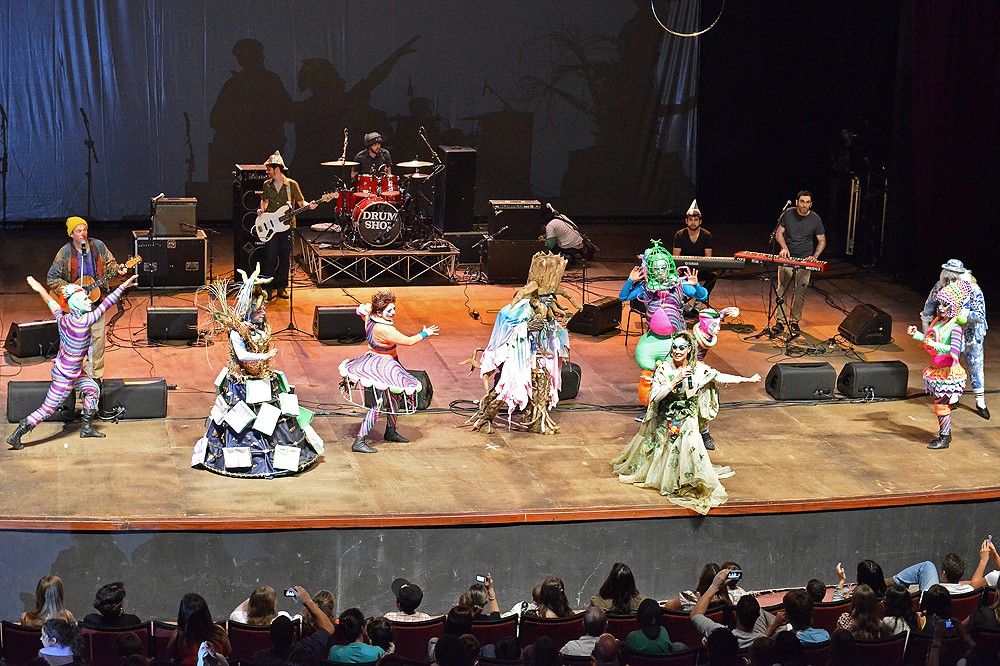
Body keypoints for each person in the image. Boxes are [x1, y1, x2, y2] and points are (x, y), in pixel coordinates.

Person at [611, 330, 760, 514]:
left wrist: (747, 379)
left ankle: (689, 477)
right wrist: (675, 380)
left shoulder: (697, 369)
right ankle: (667, 476)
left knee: (690, 444)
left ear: (689, 349)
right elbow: (654, 397)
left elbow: (718, 376)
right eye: (674, 347)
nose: (677, 351)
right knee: (663, 449)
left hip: (687, 419)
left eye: (682, 347)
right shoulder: (664, 369)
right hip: (667, 417)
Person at [193, 265, 322, 477]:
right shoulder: (237, 332)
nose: (264, 312)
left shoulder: (261, 327)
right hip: (243, 383)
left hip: (262, 378)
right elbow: (242, 356)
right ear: (250, 311)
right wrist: (265, 356)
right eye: (260, 310)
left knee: (272, 416)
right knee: (243, 417)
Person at [7, 273, 137, 450]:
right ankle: (18, 434)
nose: (89, 301)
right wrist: (123, 287)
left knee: (92, 389)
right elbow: (107, 304)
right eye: (85, 299)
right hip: (65, 376)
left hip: (68, 370)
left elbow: (50, 302)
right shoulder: (84, 322)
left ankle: (86, 428)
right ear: (76, 303)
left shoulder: (63, 318)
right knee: (47, 409)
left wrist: (39, 288)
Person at [339, 290, 439, 453]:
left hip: (387, 362)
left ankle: (391, 431)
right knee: (378, 402)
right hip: (382, 366)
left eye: (394, 309)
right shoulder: (385, 330)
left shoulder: (369, 317)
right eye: (389, 310)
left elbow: (365, 308)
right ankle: (360, 440)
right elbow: (408, 341)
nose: (393, 313)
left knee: (394, 396)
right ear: (380, 312)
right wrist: (425, 333)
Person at [619, 241, 709, 422]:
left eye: (663, 268)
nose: (660, 272)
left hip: (674, 340)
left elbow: (703, 296)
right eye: (656, 268)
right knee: (647, 377)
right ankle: (648, 407)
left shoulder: (678, 285)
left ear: (668, 268)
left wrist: (696, 285)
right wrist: (630, 280)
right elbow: (622, 297)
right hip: (653, 340)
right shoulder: (645, 288)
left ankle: (675, 409)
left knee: (676, 376)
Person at [46, 216, 129, 380]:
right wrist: (73, 290)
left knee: (97, 343)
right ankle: (79, 379)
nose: (83, 233)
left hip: (96, 304)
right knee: (77, 345)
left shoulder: (98, 246)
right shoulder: (65, 253)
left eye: (84, 229)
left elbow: (111, 264)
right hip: (75, 308)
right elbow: (52, 278)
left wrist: (119, 270)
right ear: (71, 234)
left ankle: (96, 378)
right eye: (78, 231)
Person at [909, 279, 974, 449]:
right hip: (937, 369)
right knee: (940, 404)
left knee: (941, 405)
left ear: (953, 307)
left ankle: (945, 438)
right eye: (940, 304)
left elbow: (954, 349)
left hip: (948, 373)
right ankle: (945, 435)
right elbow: (930, 340)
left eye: (945, 305)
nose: (941, 308)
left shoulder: (955, 328)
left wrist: (935, 345)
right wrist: (916, 335)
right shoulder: (938, 322)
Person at [921, 259, 989, 419]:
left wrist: (964, 315)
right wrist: (927, 333)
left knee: (975, 365)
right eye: (947, 279)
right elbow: (928, 309)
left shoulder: (973, 289)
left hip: (970, 333)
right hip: (948, 333)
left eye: (954, 279)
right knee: (949, 365)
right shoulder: (939, 287)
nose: (950, 282)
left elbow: (980, 315)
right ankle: (952, 396)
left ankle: (980, 401)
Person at [256, 151, 316, 301]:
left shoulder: (292, 185)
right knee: (270, 258)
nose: (267, 172)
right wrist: (261, 209)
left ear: (277, 169)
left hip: (287, 227)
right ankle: (267, 288)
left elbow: (302, 204)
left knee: (284, 258)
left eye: (269, 169)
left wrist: (311, 206)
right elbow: (264, 200)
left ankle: (282, 287)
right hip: (271, 226)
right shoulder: (266, 185)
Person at [690, 568, 784, 650]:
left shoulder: (722, 635)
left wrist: (714, 586)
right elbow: (762, 642)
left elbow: (695, 615)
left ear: (735, 615)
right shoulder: (765, 642)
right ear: (757, 617)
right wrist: (775, 624)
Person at [774, 191, 826, 335]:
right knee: (782, 289)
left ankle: (795, 321)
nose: (805, 205)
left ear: (811, 204)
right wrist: (784, 247)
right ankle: (780, 321)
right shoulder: (788, 214)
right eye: (802, 201)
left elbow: (822, 241)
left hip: (804, 260)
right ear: (797, 202)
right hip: (787, 258)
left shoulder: (815, 219)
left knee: (800, 291)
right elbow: (779, 233)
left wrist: (814, 256)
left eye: (808, 202)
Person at [166, 593, 231, 666]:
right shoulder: (219, 632)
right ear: (206, 614)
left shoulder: (178, 636)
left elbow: (169, 656)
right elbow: (228, 652)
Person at [672, 199, 717, 297]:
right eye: (690, 220)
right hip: (684, 270)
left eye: (696, 220)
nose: (693, 223)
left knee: (713, 275)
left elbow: (708, 258)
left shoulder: (707, 235)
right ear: (686, 221)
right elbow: (676, 257)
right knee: (673, 275)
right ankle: (682, 302)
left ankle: (699, 301)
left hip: (699, 270)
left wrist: (699, 268)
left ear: (700, 221)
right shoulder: (679, 235)